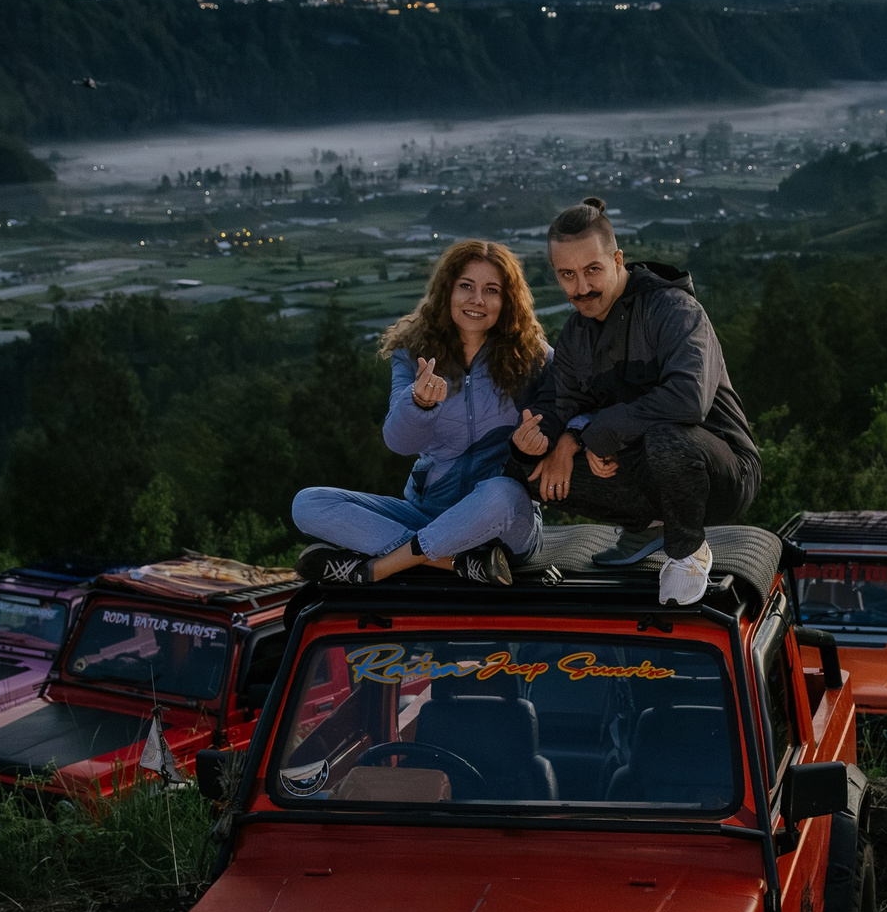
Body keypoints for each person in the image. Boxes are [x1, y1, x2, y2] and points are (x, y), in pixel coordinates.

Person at [511, 197, 762, 606]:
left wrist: (601, 432)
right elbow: (564, 405)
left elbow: (687, 402)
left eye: (592, 269)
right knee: (525, 469)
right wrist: (547, 442)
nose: (582, 287)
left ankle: (687, 551)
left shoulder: (675, 310)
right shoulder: (576, 334)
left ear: (617, 259)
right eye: (567, 275)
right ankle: (647, 525)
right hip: (642, 468)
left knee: (667, 437)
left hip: (721, 472)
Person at [289, 238, 550, 585]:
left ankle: (377, 569)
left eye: (492, 290)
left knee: (502, 491)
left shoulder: (533, 356)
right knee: (307, 504)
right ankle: (456, 563)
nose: (477, 300)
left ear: (507, 301)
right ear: (447, 291)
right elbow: (397, 441)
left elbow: (573, 410)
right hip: (429, 512)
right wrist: (420, 404)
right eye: (466, 286)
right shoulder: (413, 353)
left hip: (502, 524)